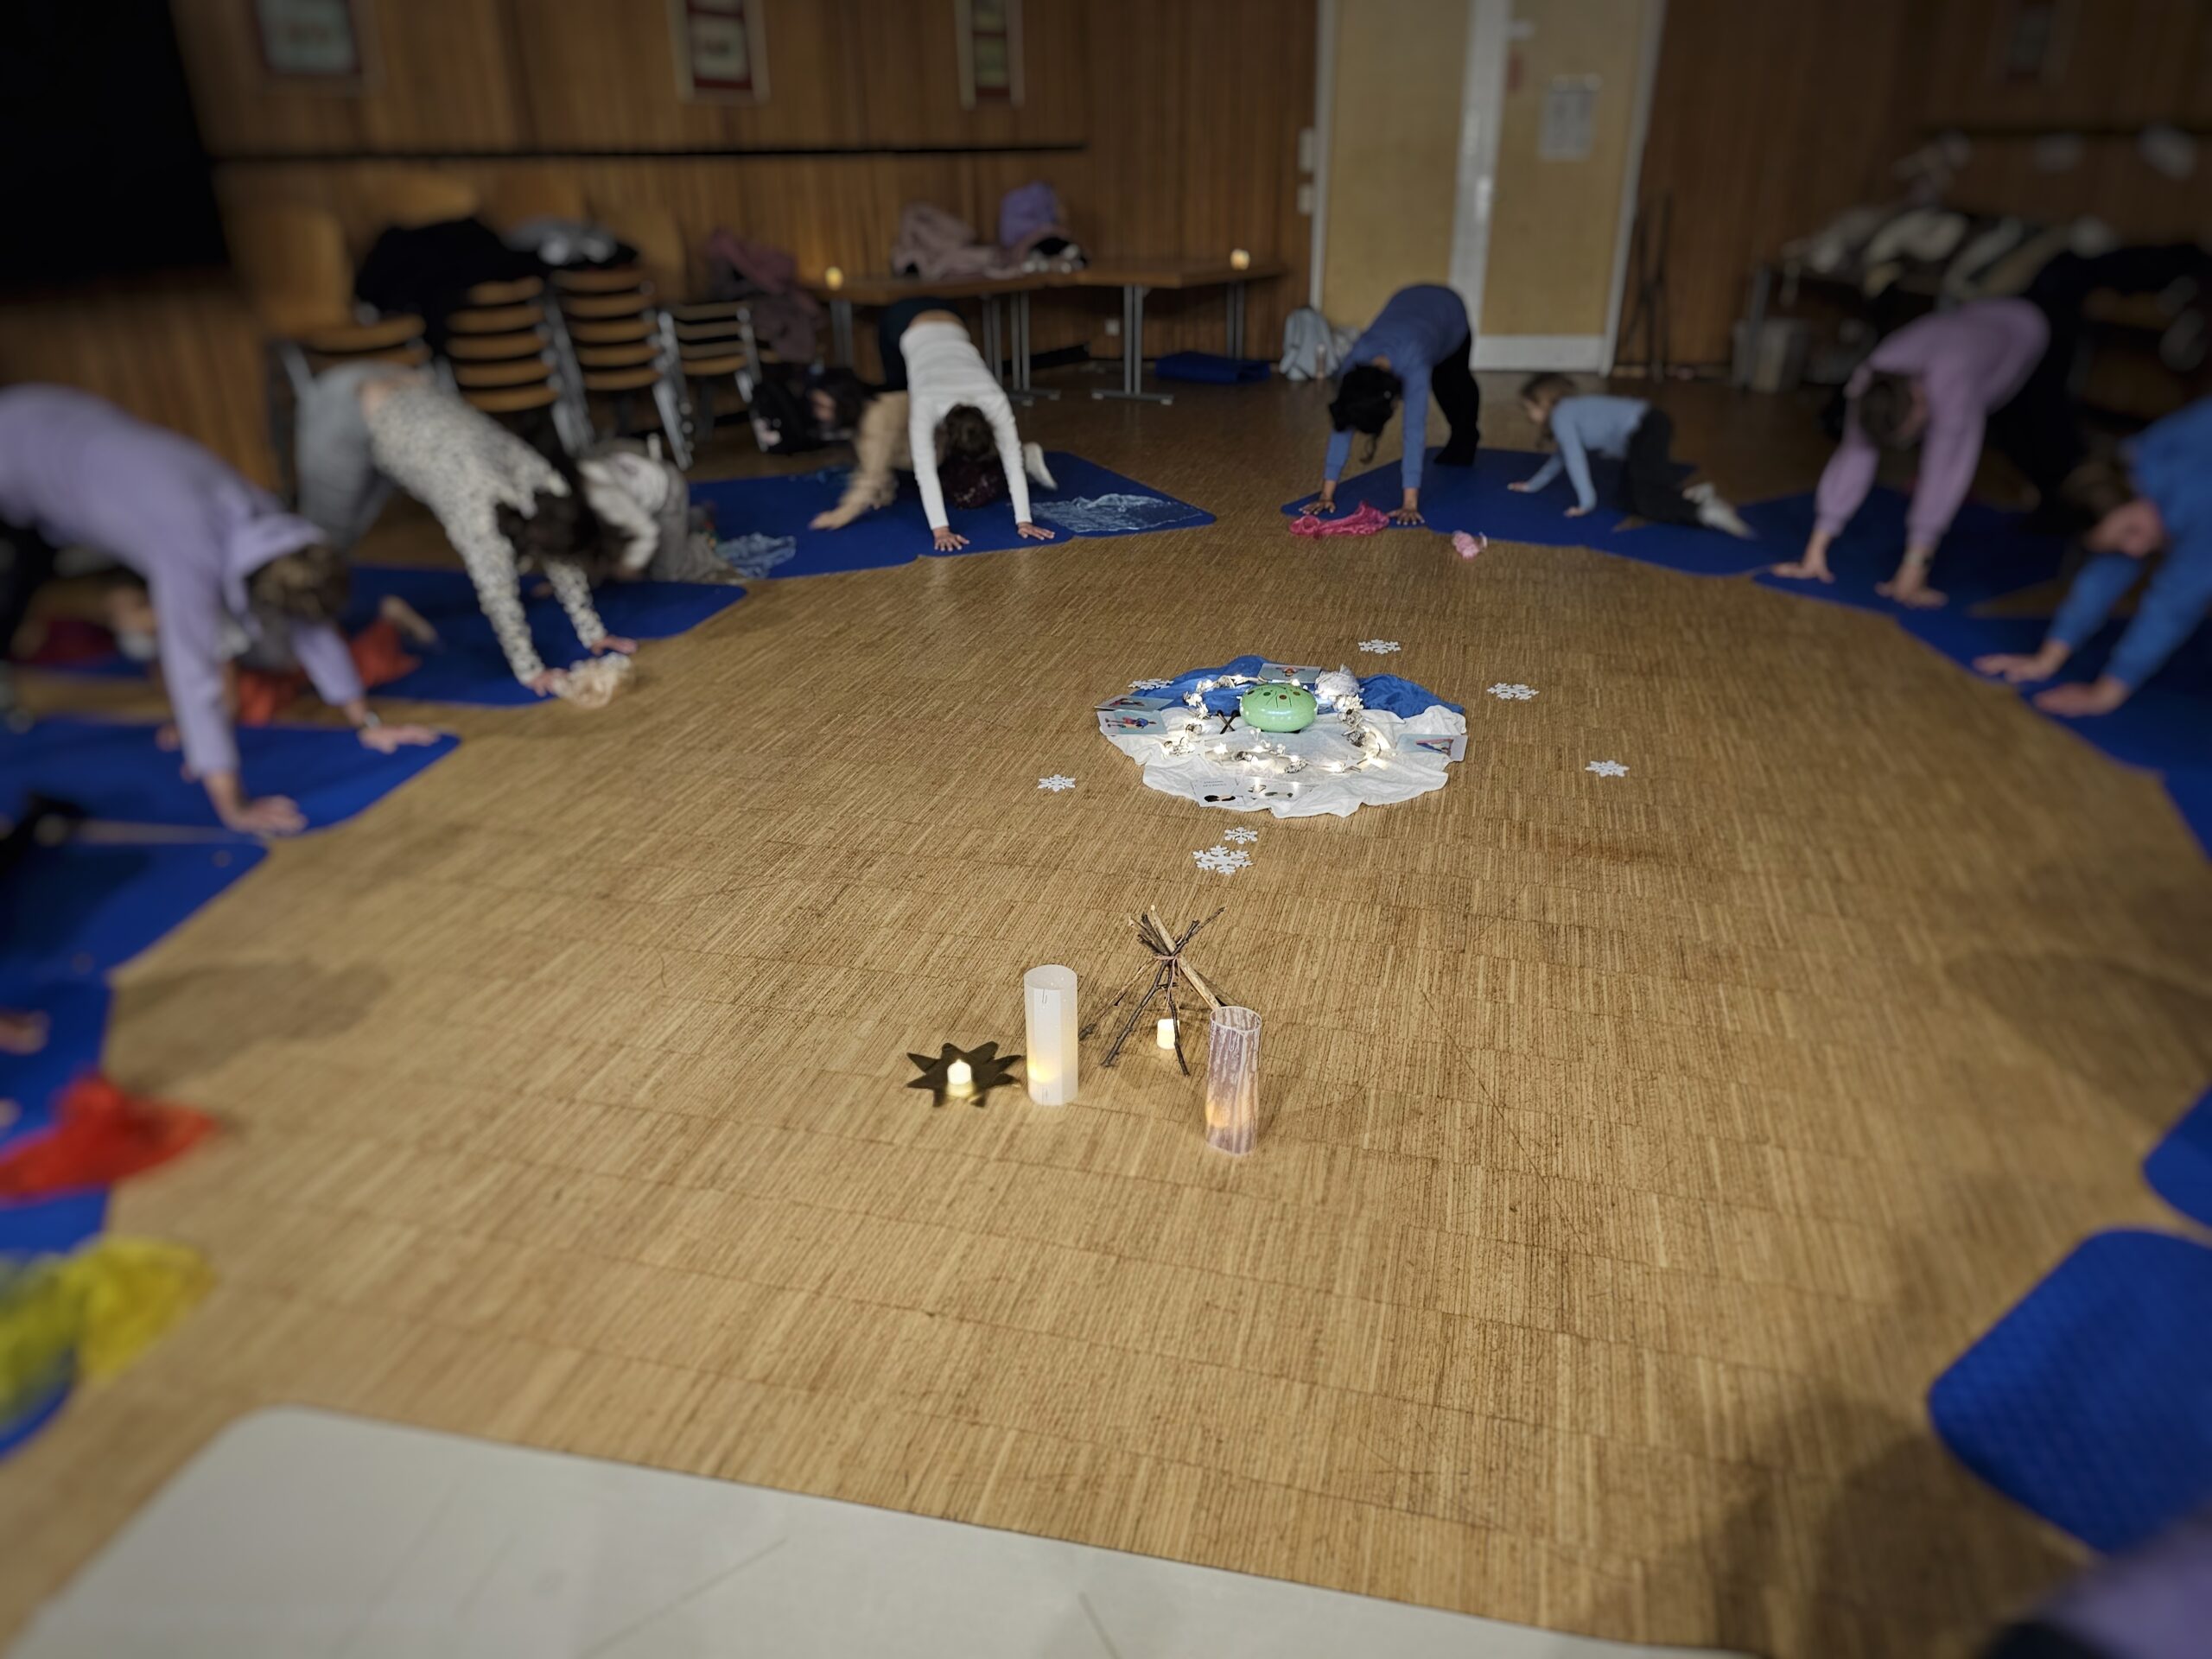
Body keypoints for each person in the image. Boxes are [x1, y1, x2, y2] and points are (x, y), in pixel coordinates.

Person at [0, 386, 438, 836]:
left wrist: (366, 721)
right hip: (15, 453)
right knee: (15, 588)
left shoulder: (271, 524)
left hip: (55, 416)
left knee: (26, 574)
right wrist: (233, 805)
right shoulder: (190, 548)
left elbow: (310, 623)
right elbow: (195, 672)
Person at [1778, 247, 2209, 606]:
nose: (1910, 441)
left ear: (1921, 400)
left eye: (1913, 430)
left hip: (2037, 337)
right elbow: (1856, 452)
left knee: (2050, 443)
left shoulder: (1951, 384)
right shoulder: (1871, 379)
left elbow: (1945, 471)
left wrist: (1914, 568)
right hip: (1988, 336)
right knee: (2018, 437)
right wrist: (1815, 551)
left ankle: (2186, 263)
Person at [293, 365, 636, 695]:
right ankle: (307, 635)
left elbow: (564, 551)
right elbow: (497, 595)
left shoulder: (548, 484)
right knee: (322, 544)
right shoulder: (477, 514)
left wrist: (593, 633)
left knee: (351, 524)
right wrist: (531, 670)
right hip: (343, 405)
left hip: (397, 387)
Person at [1974, 394, 2212, 716]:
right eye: (2119, 541)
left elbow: (2174, 603)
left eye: (2131, 531)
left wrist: (2106, 693)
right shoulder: (2130, 468)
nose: (2135, 549)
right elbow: (2104, 573)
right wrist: (2047, 659)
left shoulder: (2199, 501)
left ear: (2138, 491)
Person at [870, 298, 1054, 552]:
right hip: (901, 320)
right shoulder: (926, 402)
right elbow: (924, 470)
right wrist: (941, 529)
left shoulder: (994, 400)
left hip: (951, 317)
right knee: (897, 399)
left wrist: (1024, 521)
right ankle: (882, 478)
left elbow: (1013, 459)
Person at [1300, 283, 1478, 526]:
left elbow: (1413, 431)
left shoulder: (1415, 363)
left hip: (1449, 312)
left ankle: (1467, 437)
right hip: (1409, 303)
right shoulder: (1354, 364)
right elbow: (1343, 420)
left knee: (1452, 383)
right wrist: (1326, 495)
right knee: (1440, 380)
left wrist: (1410, 504)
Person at [1510, 374, 1753, 537]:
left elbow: (1575, 459)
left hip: (1646, 428)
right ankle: (1691, 495)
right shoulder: (1566, 412)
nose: (1529, 416)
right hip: (1650, 426)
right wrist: (1532, 485)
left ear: (1545, 402)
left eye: (1529, 408)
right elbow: (1562, 456)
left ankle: (1704, 511)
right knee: (1626, 500)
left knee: (1646, 501)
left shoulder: (1561, 415)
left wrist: (1586, 502)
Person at [806, 380, 1057, 533]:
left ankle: (1022, 458)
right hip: (933, 449)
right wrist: (884, 493)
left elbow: (872, 472)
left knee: (969, 497)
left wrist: (840, 515)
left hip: (950, 448)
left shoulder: (875, 423)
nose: (819, 413)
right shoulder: (869, 414)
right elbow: (877, 463)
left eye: (824, 406)